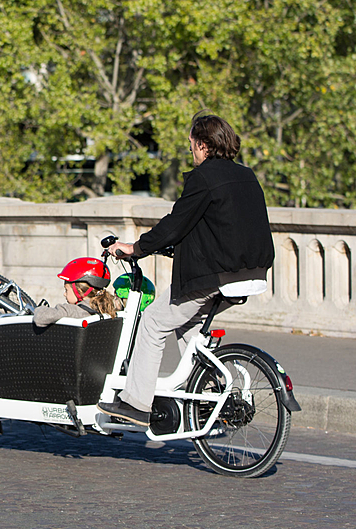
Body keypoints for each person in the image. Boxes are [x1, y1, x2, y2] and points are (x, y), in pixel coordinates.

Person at [98, 114, 274, 426]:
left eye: (191, 145)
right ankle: (207, 396)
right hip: (251, 273)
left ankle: (136, 403)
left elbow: (175, 224)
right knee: (188, 325)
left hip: (214, 276)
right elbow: (221, 226)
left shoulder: (203, 178)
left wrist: (134, 248)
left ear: (203, 145)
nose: (190, 151)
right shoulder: (247, 176)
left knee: (152, 323)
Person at [33, 257, 124, 327]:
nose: (64, 294)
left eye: (66, 290)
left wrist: (38, 309)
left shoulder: (71, 311)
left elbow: (40, 318)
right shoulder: (109, 310)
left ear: (79, 290)